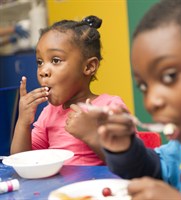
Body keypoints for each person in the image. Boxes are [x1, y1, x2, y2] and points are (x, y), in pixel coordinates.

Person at [93, 0, 181, 199]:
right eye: (143, 86)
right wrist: (126, 150)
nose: (150, 101)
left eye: (169, 76)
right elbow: (159, 170)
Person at [10, 15, 129, 166]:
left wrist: (91, 135)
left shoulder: (110, 107)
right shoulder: (49, 113)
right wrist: (23, 123)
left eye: (55, 60)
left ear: (89, 67)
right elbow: (22, 162)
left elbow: (129, 163)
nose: (43, 71)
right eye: (40, 62)